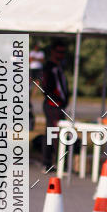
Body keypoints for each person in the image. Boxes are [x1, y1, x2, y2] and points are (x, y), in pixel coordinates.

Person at [41, 40, 69, 173]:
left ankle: (56, 162)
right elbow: (46, 87)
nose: (61, 55)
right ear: (53, 52)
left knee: (56, 133)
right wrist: (54, 99)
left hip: (59, 105)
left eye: (63, 52)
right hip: (52, 105)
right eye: (58, 52)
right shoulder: (49, 67)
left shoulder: (59, 67)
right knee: (53, 133)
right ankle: (48, 163)